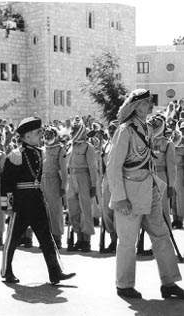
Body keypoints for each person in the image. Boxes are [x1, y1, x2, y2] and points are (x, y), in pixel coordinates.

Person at [107, 88, 184, 299]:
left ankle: (169, 282)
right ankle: (124, 284)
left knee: (161, 235)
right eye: (146, 103)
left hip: (149, 190)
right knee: (127, 240)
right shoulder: (125, 130)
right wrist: (119, 197)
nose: (150, 105)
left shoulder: (147, 129)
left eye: (150, 102)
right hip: (129, 194)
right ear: (135, 106)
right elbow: (114, 166)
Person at [0, 116, 75, 284]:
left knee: (46, 239)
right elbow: (6, 182)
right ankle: (6, 271)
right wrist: (6, 204)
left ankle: (55, 273)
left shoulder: (40, 152)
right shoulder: (16, 155)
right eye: (36, 133)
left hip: (37, 200)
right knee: (12, 239)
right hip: (21, 202)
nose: (40, 135)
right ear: (26, 137)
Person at [66, 117, 97, 252]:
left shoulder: (88, 147)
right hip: (71, 178)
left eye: (75, 130)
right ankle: (78, 238)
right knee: (73, 210)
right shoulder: (70, 146)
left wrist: (94, 185)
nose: (72, 132)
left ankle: (86, 240)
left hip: (83, 177)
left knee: (85, 210)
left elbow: (92, 167)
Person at [41, 126, 67, 249]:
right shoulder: (43, 149)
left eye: (50, 135)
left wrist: (63, 186)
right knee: (43, 211)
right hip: (43, 181)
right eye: (46, 135)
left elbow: (63, 170)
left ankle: (57, 238)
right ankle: (46, 238)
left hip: (54, 180)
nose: (47, 137)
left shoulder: (60, 149)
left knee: (55, 211)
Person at [100, 120, 118, 253]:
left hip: (119, 180)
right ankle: (112, 238)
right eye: (110, 129)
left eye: (114, 129)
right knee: (106, 211)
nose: (111, 131)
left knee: (118, 211)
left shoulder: (122, 145)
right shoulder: (106, 146)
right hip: (107, 180)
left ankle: (118, 241)